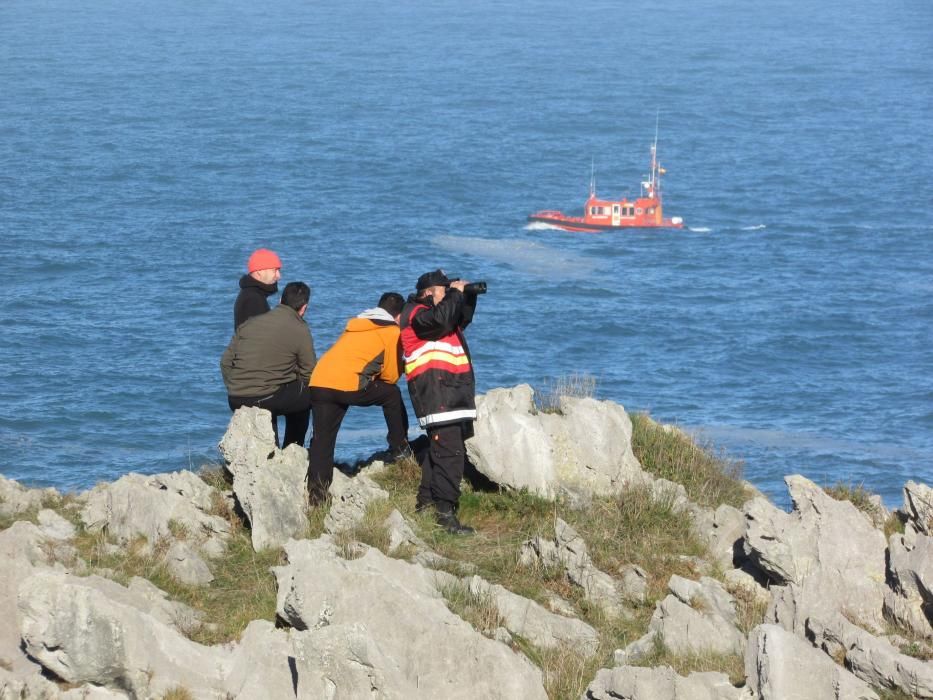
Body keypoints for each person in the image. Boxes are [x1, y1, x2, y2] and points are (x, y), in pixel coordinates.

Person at [305, 292, 411, 505]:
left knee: (322, 440)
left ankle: (317, 496)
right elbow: (390, 376)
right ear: (399, 316)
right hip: (348, 384)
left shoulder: (355, 325)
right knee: (391, 394)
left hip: (319, 381)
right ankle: (399, 447)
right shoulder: (391, 331)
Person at [400, 269, 480, 535]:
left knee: (439, 454)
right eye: (444, 291)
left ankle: (426, 505)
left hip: (451, 394)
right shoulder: (415, 312)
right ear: (429, 293)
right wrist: (455, 293)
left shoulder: (439, 317)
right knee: (451, 455)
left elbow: (460, 318)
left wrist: (466, 297)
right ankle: (445, 515)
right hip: (437, 395)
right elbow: (442, 318)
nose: (449, 296)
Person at [221, 281, 316, 447]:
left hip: (235, 398)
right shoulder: (300, 329)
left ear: (280, 300)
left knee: (278, 392)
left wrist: (235, 387)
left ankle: (270, 448)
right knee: (308, 394)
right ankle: (293, 449)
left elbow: (225, 362)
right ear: (304, 308)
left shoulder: (249, 324)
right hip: (265, 398)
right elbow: (309, 372)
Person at [234, 248, 282, 329]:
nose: (279, 276)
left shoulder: (250, 294)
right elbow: (261, 336)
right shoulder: (253, 299)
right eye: (275, 270)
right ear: (259, 271)